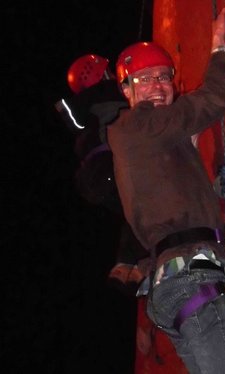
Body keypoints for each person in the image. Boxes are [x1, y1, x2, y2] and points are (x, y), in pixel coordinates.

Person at [107, 6, 225, 373]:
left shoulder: (146, 141)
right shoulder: (138, 127)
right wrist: (220, 42)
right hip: (193, 276)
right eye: (145, 80)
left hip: (177, 283)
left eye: (164, 78)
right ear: (126, 89)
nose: (158, 86)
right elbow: (213, 100)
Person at [56, 54, 151, 294]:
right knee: (147, 199)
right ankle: (141, 263)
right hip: (108, 165)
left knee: (134, 211)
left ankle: (125, 267)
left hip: (92, 179)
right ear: (101, 74)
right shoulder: (109, 91)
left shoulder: (88, 108)